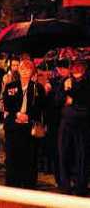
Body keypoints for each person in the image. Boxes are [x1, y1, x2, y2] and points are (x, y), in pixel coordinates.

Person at [3, 59, 46, 189]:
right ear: (19, 70)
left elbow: (41, 107)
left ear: (32, 71)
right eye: (22, 69)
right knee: (12, 156)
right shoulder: (11, 86)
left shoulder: (38, 87)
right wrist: (16, 114)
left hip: (29, 127)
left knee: (29, 157)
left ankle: (29, 184)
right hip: (13, 125)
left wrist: (28, 116)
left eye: (28, 69)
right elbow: (6, 104)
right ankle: (12, 183)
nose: (25, 71)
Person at [58, 60, 90, 196]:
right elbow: (58, 99)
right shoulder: (65, 81)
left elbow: (85, 98)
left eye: (80, 67)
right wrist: (66, 90)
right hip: (66, 122)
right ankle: (65, 184)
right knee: (64, 153)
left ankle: (80, 186)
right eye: (74, 66)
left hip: (82, 123)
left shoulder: (87, 82)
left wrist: (72, 96)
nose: (77, 69)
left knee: (81, 155)